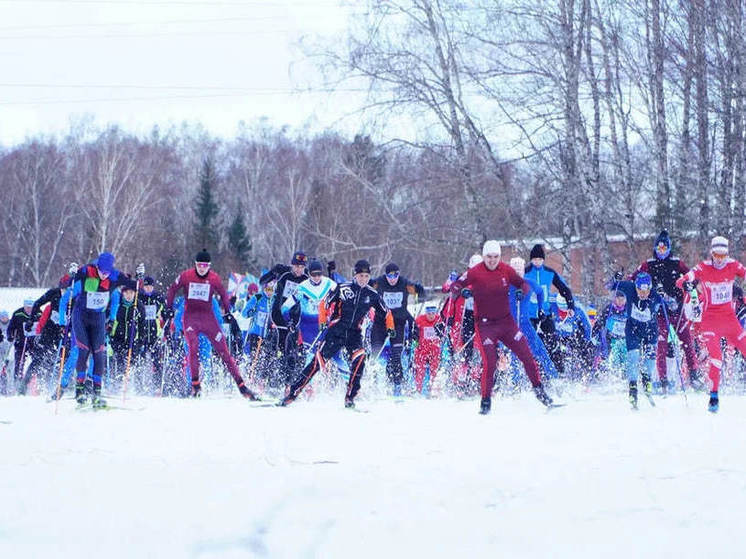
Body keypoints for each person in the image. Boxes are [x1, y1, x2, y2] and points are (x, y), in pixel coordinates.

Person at [452, 240, 556, 414]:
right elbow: (456, 285)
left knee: (527, 356)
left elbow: (522, 283)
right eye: (489, 257)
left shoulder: (505, 270)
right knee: (490, 362)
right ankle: (486, 401)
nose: (492, 260)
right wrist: (461, 291)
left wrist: (522, 291)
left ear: (500, 257)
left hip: (507, 323)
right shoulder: (475, 272)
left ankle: (540, 392)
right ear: (484, 256)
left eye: (496, 257)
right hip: (485, 326)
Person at [279, 259, 394, 408]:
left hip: (354, 333)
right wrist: (322, 320)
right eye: (361, 276)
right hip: (337, 330)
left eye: (366, 276)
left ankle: (350, 396)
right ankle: (293, 393)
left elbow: (386, 312)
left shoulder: (372, 294)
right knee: (317, 362)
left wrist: (390, 327)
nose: (363, 280)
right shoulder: (343, 288)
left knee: (360, 358)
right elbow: (324, 303)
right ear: (355, 275)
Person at [165, 249, 258, 400]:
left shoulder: (214, 278)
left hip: (208, 319)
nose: (202, 268)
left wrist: (228, 312)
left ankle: (242, 387)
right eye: (199, 265)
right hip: (191, 318)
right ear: (195, 264)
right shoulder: (186, 276)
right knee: (192, 348)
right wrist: (168, 309)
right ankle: (194, 386)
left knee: (224, 352)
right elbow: (171, 290)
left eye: (205, 265)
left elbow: (224, 296)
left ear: (209, 266)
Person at [675, 236, 746, 412]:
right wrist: (685, 282)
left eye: (723, 255)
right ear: (712, 253)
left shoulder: (733, 265)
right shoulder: (704, 267)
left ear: (727, 254)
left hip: (730, 320)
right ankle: (714, 395)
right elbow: (687, 276)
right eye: (716, 255)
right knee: (716, 358)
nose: (720, 259)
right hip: (710, 321)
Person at [633, 229, 703, 392]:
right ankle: (663, 381)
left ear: (669, 249)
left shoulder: (676, 262)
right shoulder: (649, 264)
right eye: (659, 248)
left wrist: (689, 284)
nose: (661, 252)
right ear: (655, 248)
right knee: (661, 345)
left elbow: (691, 276)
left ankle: (694, 376)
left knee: (687, 342)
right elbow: (634, 277)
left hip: (677, 311)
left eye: (665, 249)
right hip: (659, 313)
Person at [69, 252, 131, 407]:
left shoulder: (114, 275)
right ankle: (79, 391)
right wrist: (72, 273)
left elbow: (133, 284)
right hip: (81, 317)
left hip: (98, 319)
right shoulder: (86, 270)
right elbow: (66, 282)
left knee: (99, 354)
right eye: (102, 272)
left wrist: (140, 278)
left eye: (107, 273)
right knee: (83, 351)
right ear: (97, 267)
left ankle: (96, 392)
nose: (104, 275)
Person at [371, 262, 425, 396]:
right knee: (376, 355)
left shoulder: (404, 283)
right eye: (390, 275)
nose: (393, 278)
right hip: (380, 323)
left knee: (396, 356)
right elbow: (366, 286)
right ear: (386, 275)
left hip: (398, 323)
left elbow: (419, 292)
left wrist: (419, 289)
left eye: (395, 275)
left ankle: (397, 385)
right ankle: (374, 384)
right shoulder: (379, 282)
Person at [611, 272, 663, 410]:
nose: (642, 293)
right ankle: (633, 388)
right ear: (636, 287)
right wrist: (615, 280)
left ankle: (647, 380)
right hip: (632, 328)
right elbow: (610, 285)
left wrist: (663, 295)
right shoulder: (629, 287)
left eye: (646, 290)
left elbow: (669, 304)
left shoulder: (655, 296)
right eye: (639, 290)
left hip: (650, 330)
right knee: (633, 357)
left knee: (650, 359)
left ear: (650, 288)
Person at [524, 244, 577, 378]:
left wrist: (571, 305)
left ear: (543, 260)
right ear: (531, 260)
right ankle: (533, 375)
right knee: (531, 345)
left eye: (539, 259)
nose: (537, 262)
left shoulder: (549, 273)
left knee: (553, 342)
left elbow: (564, 289)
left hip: (546, 314)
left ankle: (560, 373)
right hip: (529, 315)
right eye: (534, 259)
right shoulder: (525, 273)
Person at [260, 251, 309, 391]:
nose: (299, 270)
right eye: (296, 266)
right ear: (292, 265)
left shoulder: (306, 280)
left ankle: (287, 385)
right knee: (272, 349)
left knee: (291, 354)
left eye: (302, 267)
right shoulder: (284, 274)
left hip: (294, 321)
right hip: (277, 318)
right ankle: (263, 381)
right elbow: (262, 281)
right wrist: (273, 272)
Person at [18, 275, 72, 395]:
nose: (64, 293)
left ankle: (66, 387)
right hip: (49, 331)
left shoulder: (76, 297)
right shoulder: (53, 293)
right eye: (62, 290)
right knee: (38, 359)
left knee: (65, 359)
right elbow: (37, 303)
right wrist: (31, 320)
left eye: (67, 290)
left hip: (65, 332)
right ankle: (23, 388)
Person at [108, 279, 144, 392]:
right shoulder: (118, 304)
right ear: (123, 293)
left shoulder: (138, 306)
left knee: (131, 362)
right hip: (118, 338)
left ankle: (133, 386)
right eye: (126, 293)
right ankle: (117, 385)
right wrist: (110, 335)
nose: (129, 296)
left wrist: (140, 340)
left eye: (131, 293)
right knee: (118, 361)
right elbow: (112, 320)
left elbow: (142, 324)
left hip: (132, 339)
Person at [138, 276, 167, 394]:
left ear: (153, 286)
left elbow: (165, 311)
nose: (148, 288)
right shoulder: (139, 297)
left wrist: (166, 315)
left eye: (150, 286)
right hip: (142, 333)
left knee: (157, 361)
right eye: (146, 286)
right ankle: (140, 384)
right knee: (141, 359)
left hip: (155, 333)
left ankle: (157, 386)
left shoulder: (158, 297)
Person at [592, 290, 629, 378]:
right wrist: (594, 334)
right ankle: (613, 376)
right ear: (615, 299)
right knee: (614, 357)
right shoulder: (609, 309)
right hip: (611, 338)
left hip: (624, 338)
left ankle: (625, 376)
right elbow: (600, 321)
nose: (620, 302)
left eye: (622, 300)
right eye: (618, 299)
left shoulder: (628, 308)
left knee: (625, 359)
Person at [412, 302, 444, 395]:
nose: (431, 316)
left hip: (434, 350)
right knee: (420, 370)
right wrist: (415, 334)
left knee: (434, 370)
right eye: (429, 314)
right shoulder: (419, 320)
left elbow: (443, 334)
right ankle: (418, 390)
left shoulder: (439, 320)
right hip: (422, 349)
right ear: (426, 313)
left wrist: (441, 331)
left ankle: (433, 390)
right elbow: (414, 334)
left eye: (433, 313)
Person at [7, 299, 36, 394]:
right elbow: (10, 327)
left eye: (31, 308)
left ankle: (30, 382)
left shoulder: (38, 313)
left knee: (36, 361)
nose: (29, 310)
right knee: (19, 363)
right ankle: (17, 383)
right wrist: (10, 336)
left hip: (33, 343)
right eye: (27, 307)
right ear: (24, 306)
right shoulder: (17, 314)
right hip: (20, 343)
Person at [0, 310, 12, 395]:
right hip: (1, 348)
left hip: (9, 348)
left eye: (5, 317)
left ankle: (10, 388)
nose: (4, 319)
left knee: (9, 369)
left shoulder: (11, 323)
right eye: (2, 317)